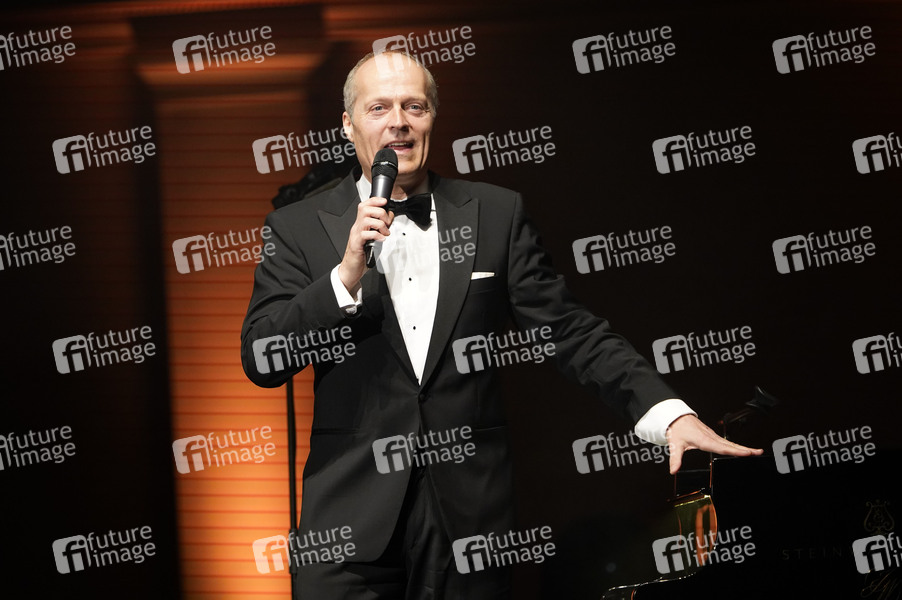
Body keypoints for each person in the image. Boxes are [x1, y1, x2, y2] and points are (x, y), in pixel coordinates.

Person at [240, 50, 762, 599]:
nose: (399, 121)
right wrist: (344, 277)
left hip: (469, 519)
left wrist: (666, 412)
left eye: (414, 106)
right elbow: (262, 358)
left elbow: (569, 329)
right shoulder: (296, 227)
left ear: (432, 117)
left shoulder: (495, 212)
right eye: (379, 108)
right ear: (348, 125)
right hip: (348, 523)